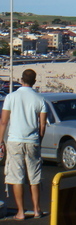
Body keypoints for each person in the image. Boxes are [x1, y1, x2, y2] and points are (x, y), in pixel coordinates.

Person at [0, 69, 48, 220]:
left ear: (21, 80)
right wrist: (39, 140)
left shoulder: (11, 97)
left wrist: (1, 140)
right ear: (34, 82)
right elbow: (42, 126)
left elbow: (4, 121)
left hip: (15, 140)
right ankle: (37, 209)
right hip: (32, 140)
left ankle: (20, 212)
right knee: (34, 177)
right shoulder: (40, 99)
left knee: (16, 177)